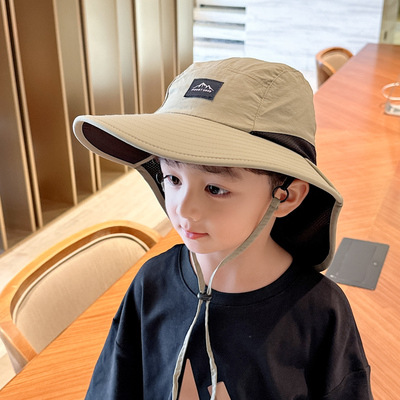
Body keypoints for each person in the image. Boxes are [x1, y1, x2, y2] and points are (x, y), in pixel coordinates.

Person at [73, 58, 373, 399]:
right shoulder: (151, 284)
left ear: (286, 196)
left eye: (215, 188)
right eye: (172, 178)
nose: (183, 208)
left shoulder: (319, 311)